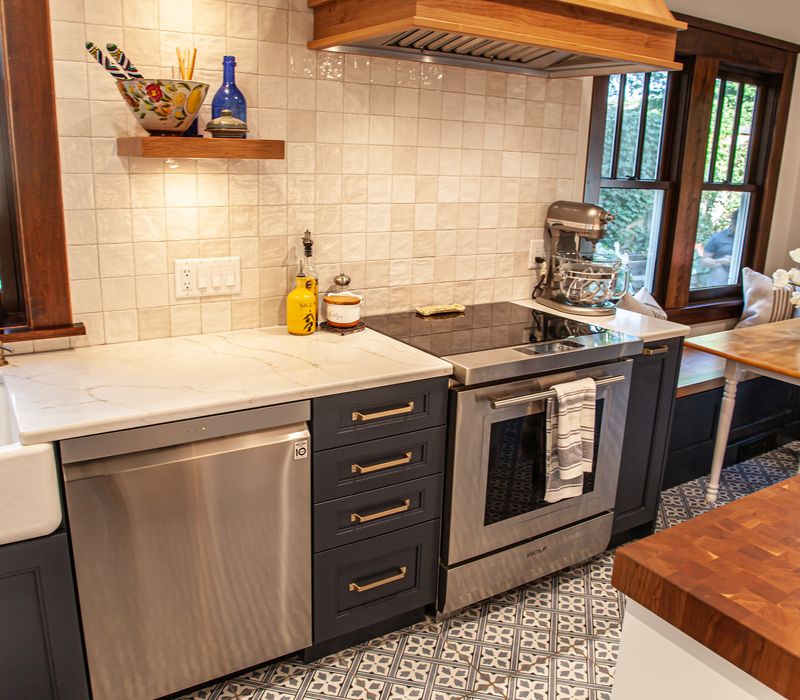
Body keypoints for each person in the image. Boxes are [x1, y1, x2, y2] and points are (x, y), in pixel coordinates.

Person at [699, 209, 738, 287]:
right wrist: (721, 261)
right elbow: (703, 262)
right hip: (719, 277)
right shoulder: (718, 237)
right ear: (733, 222)